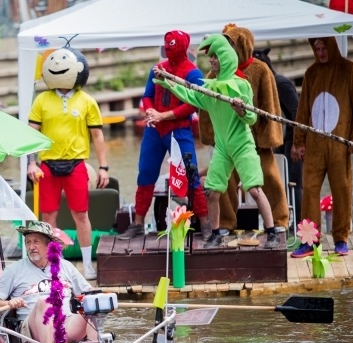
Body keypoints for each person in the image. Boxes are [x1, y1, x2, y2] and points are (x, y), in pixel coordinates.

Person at [154, 34, 282, 249]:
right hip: (222, 147)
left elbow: (252, 117)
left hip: (242, 144)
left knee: (254, 189)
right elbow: (191, 96)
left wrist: (241, 110)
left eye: (215, 56)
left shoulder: (241, 86)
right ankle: (215, 234)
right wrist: (167, 83)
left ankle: (271, 232)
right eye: (210, 57)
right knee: (212, 192)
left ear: (226, 58)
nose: (211, 60)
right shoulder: (210, 88)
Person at [27, 47, 110, 280]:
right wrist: (31, 163)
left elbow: (98, 136)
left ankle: (87, 263)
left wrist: (103, 167)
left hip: (76, 164)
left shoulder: (87, 101)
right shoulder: (41, 100)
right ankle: (53, 264)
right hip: (48, 166)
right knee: (48, 216)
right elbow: (31, 134)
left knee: (81, 214)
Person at [119, 30, 210, 241]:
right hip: (155, 129)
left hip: (178, 130)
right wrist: (151, 112)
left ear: (183, 47)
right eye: (167, 44)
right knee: (146, 173)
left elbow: (193, 104)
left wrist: (163, 115)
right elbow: (148, 95)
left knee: (191, 174)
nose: (168, 48)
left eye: (172, 44)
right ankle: (138, 223)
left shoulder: (193, 73)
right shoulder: (158, 69)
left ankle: (205, 223)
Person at [199, 25, 288, 238]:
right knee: (224, 183)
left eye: (232, 45)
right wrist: (211, 135)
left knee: (268, 178)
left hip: (256, 140)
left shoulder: (260, 69)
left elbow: (270, 104)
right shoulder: (215, 73)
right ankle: (225, 223)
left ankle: (278, 222)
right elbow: (206, 109)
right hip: (228, 140)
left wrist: (269, 135)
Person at [0, 221, 96, 343]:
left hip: (66, 324)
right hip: (30, 329)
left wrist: (98, 298)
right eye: (28, 242)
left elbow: (88, 292)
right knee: (44, 301)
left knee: (93, 304)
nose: (31, 247)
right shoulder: (14, 270)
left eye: (36, 242)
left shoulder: (66, 266)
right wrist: (8, 303)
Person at [290, 37, 353, 258]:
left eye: (324, 48)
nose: (321, 52)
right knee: (310, 191)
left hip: (339, 144)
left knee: (341, 189)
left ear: (331, 47)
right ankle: (309, 240)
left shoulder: (349, 70)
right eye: (317, 48)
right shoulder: (311, 73)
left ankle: (341, 238)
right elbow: (303, 109)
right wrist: (299, 141)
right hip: (314, 144)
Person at [253, 48, 303, 224]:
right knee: (281, 183)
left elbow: (298, 113)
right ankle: (285, 222)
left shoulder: (280, 83)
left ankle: (298, 225)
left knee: (294, 184)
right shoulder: (266, 85)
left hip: (293, 139)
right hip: (279, 140)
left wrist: (297, 143)